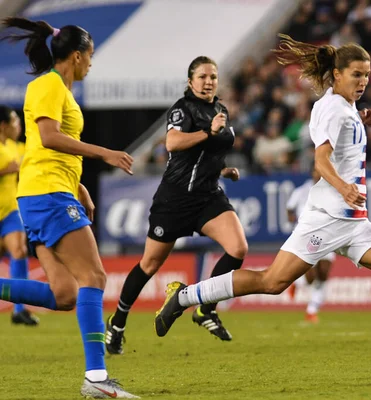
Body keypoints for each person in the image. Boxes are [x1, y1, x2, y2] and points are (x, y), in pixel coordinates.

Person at [154, 34, 371, 374]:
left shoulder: (344, 107)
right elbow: (320, 160)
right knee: (272, 282)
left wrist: (363, 116)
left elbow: (342, 130)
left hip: (354, 223)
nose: (363, 81)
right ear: (337, 74)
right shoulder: (333, 110)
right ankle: (184, 297)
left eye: (367, 75)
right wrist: (344, 187)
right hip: (326, 219)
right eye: (357, 74)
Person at [0, 17, 138, 398]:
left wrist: (79, 187)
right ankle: (96, 379)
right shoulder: (48, 85)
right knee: (93, 278)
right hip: (47, 195)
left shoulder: (59, 90)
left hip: (48, 192)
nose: (91, 63)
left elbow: (48, 148)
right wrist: (104, 153)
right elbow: (48, 137)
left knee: (65, 294)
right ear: (76, 56)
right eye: (90, 56)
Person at [105, 56, 246, 355]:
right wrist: (209, 131)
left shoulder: (220, 109)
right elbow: (172, 143)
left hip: (208, 196)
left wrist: (222, 170)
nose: (209, 81)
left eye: (213, 77)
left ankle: (205, 309)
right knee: (150, 264)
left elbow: (205, 155)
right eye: (203, 76)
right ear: (190, 81)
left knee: (238, 249)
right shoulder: (183, 109)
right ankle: (117, 322)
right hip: (175, 199)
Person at [0, 105, 39, 325]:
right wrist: (7, 169)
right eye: (15, 122)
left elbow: (35, 152)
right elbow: (12, 167)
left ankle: (19, 309)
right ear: (3, 126)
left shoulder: (15, 147)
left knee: (19, 250)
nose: (19, 126)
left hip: (10, 211)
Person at [287, 167, 335, 323]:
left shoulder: (331, 189)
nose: (319, 174)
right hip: (308, 235)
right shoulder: (302, 191)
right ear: (312, 173)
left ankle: (312, 310)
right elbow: (290, 208)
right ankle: (298, 282)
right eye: (316, 171)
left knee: (324, 273)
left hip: (327, 234)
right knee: (310, 277)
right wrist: (296, 224)